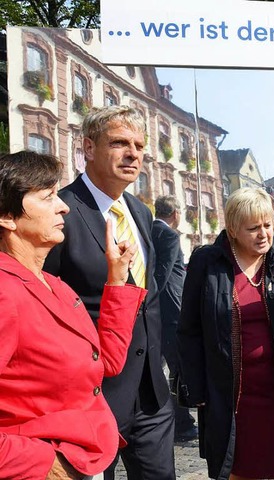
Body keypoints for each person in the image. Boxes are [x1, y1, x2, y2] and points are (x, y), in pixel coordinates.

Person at [44, 105, 176, 479]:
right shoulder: (62, 212)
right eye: (119, 143)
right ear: (87, 148)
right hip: (91, 397)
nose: (133, 153)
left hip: (152, 394)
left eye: (139, 145)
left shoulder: (140, 211)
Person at [0, 151, 146, 479]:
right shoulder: (4, 292)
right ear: (8, 217)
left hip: (81, 460)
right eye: (48, 196)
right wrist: (44, 464)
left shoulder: (56, 287)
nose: (63, 205)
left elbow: (106, 361)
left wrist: (116, 281)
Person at [177, 187, 274, 480]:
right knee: (241, 470)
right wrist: (196, 388)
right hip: (234, 395)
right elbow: (189, 330)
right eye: (253, 228)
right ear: (233, 229)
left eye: (267, 224)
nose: (263, 234)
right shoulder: (207, 262)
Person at [151, 195, 197, 442]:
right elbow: (163, 274)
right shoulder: (169, 236)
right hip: (171, 311)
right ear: (176, 213)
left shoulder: (148, 229)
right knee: (178, 369)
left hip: (157, 311)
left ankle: (166, 417)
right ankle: (183, 423)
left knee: (157, 367)